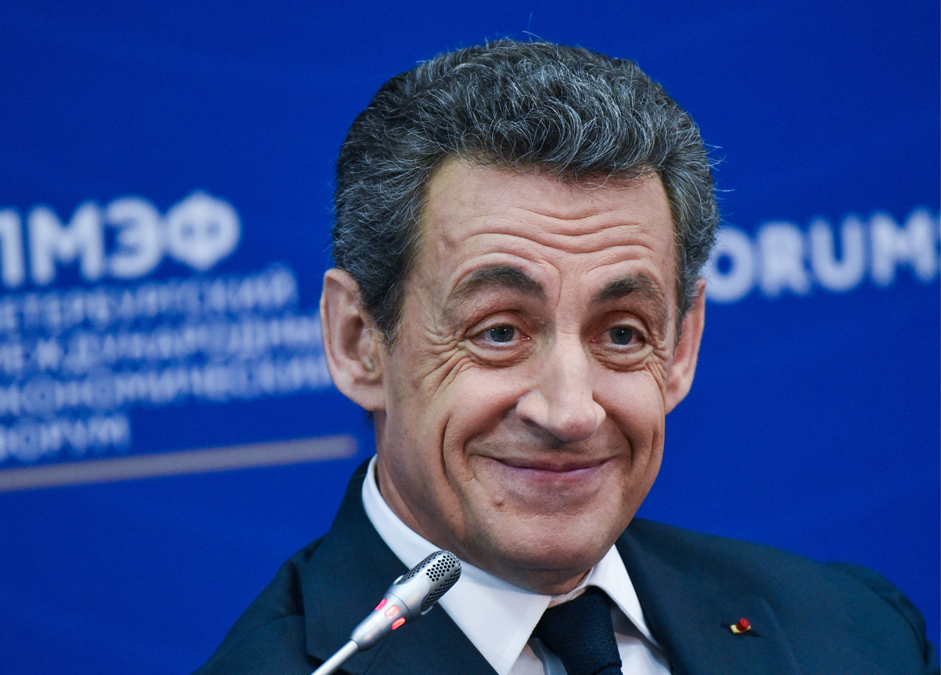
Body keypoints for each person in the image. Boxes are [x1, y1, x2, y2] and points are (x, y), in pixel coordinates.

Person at [194, 40, 937, 675]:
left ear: (680, 347)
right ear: (359, 342)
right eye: (499, 331)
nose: (570, 410)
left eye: (622, 333)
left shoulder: (853, 634)